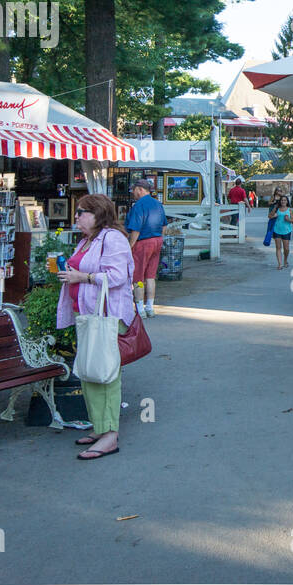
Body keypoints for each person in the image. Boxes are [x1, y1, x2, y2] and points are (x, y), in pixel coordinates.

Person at [56, 194, 135, 460]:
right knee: (90, 371)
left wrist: (83, 277)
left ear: (97, 214)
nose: (76, 217)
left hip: (107, 316)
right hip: (88, 315)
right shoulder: (87, 240)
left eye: (81, 212)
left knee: (106, 374)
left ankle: (110, 434)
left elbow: (117, 276)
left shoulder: (112, 238)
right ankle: (100, 427)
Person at [125, 178, 166, 318]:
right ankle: (150, 307)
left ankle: (140, 309)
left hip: (143, 243)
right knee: (151, 276)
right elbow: (164, 225)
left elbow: (136, 229)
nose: (133, 193)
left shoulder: (138, 206)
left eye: (134, 190)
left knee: (138, 278)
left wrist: (130, 246)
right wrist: (159, 239)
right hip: (157, 240)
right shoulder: (158, 204)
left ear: (140, 189)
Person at [268, 195, 293, 269]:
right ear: (280, 201)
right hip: (277, 230)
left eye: (285, 200)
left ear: (287, 201)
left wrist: (288, 219)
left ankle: (285, 260)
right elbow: (269, 216)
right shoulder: (277, 209)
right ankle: (280, 264)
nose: (283, 201)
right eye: (282, 200)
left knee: (286, 248)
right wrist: (275, 209)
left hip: (286, 231)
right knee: (278, 247)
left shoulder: (290, 210)